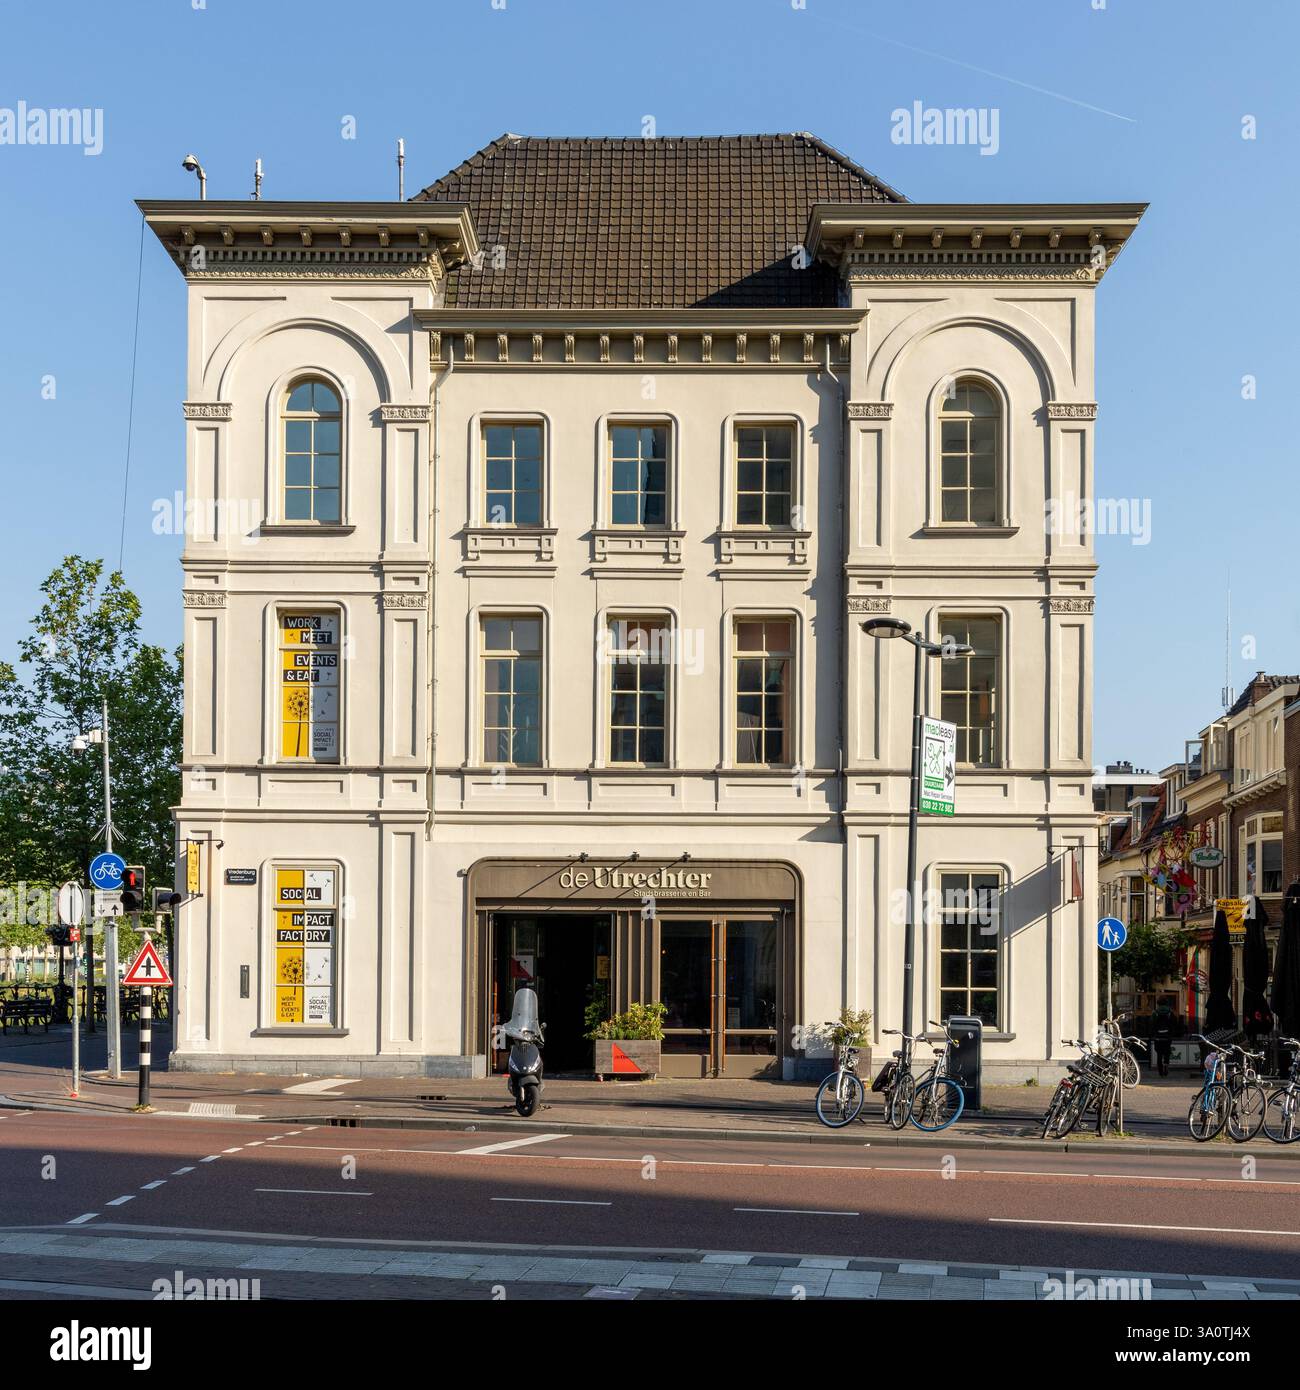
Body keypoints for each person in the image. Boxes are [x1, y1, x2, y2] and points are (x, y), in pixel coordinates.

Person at [1151, 998, 1175, 1077]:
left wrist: (1153, 1034)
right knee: (1167, 1053)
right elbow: (1174, 1023)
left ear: (1158, 1003)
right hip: (1167, 1036)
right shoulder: (1170, 1012)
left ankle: (1160, 1071)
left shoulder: (1155, 1012)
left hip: (1158, 1037)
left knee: (1159, 1054)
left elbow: (1151, 1023)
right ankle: (1166, 1065)